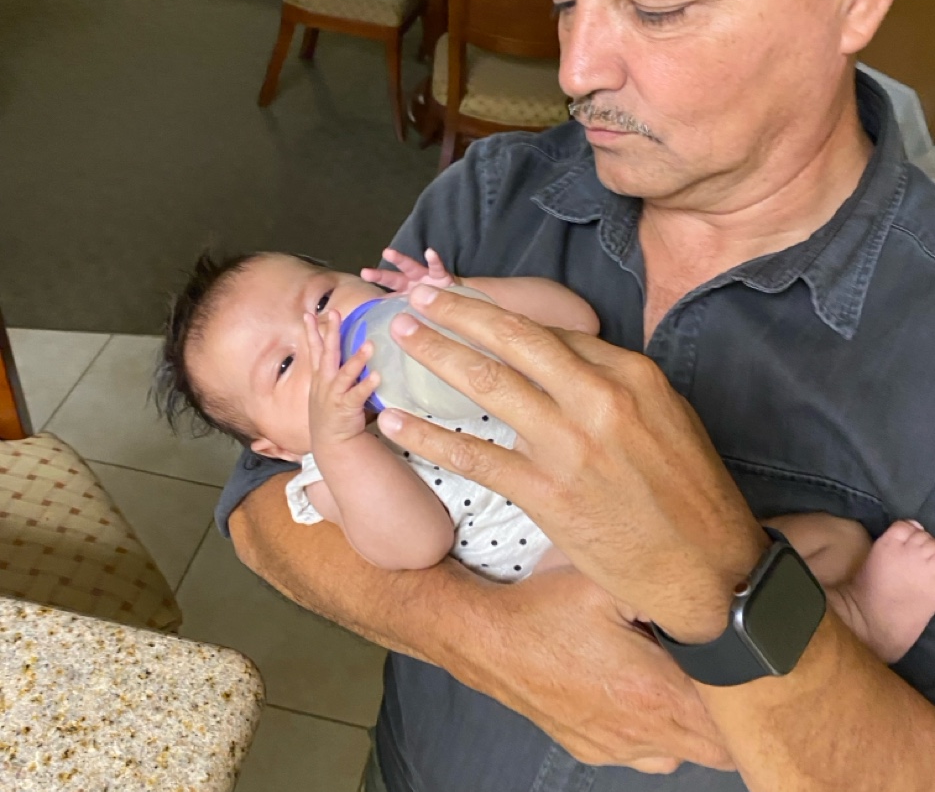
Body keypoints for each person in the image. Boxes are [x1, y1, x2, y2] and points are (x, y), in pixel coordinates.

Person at [216, 0, 935, 792]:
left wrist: (730, 592)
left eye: (652, 2)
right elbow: (263, 497)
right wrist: (485, 633)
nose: (574, 71)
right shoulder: (487, 199)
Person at [160, 246, 935, 664]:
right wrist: (342, 436)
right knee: (661, 627)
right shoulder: (327, 473)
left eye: (321, 301)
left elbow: (575, 319)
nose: (326, 341)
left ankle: (825, 607)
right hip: (575, 574)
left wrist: (463, 299)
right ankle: (854, 625)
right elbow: (413, 542)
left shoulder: (430, 339)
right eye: (287, 367)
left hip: (662, 502)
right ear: (272, 446)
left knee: (832, 537)